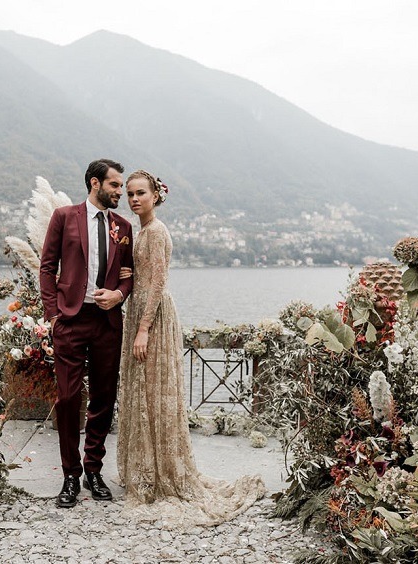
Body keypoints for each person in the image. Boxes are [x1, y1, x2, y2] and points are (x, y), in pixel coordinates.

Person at [116, 170, 266, 526]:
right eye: (130, 194)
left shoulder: (156, 231)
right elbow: (148, 277)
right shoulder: (143, 231)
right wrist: (132, 278)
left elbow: (160, 282)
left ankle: (164, 471)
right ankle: (148, 467)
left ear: (156, 195)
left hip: (152, 316)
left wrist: (143, 330)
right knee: (145, 391)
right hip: (142, 309)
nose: (134, 199)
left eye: (141, 193)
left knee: (154, 390)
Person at [39, 158, 135, 508]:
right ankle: (70, 475)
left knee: (104, 398)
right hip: (70, 321)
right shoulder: (64, 217)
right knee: (67, 398)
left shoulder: (123, 226)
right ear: (95, 183)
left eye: (121, 187)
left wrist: (119, 294)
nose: (119, 192)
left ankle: (94, 469)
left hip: (107, 323)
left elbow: (129, 273)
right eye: (114, 186)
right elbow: (47, 267)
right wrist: (53, 315)